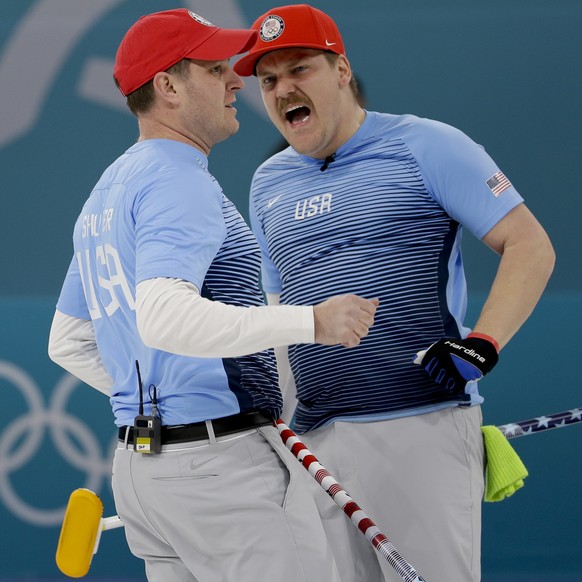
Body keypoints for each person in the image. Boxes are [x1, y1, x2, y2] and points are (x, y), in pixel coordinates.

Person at [47, 8, 379, 582]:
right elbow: (164, 316)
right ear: (169, 87)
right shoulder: (179, 180)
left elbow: (69, 342)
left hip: (143, 472)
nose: (236, 81)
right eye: (215, 69)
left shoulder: (105, 194)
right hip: (220, 472)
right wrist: (312, 323)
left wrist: (163, 410)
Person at [233, 4, 555, 582]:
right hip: (317, 441)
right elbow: (280, 316)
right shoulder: (267, 182)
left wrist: (482, 344)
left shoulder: (425, 145)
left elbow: (530, 246)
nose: (283, 90)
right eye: (268, 80)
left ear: (341, 71)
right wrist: (276, 430)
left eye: (299, 69)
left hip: (421, 427)